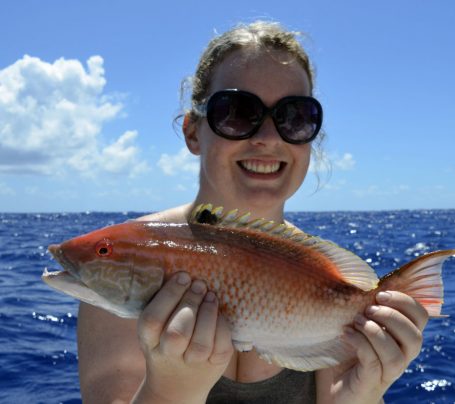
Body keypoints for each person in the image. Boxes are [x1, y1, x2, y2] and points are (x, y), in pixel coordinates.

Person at [77, 21, 429, 403]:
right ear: (193, 131)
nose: (267, 137)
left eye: (295, 117)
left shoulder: (315, 271)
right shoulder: (130, 260)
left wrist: (358, 396)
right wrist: (171, 389)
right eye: (236, 112)